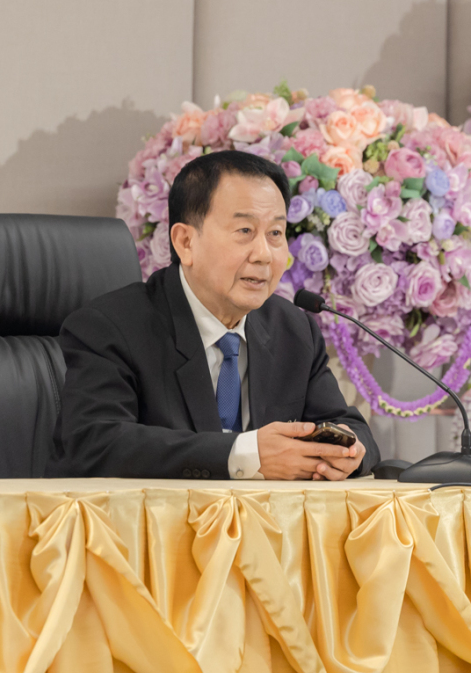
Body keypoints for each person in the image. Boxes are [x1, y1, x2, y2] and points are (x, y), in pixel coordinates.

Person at [49, 150, 380, 480]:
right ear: (185, 242)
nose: (264, 255)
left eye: (276, 233)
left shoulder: (294, 330)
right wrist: (245, 455)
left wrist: (345, 454)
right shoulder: (112, 327)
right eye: (244, 231)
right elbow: (94, 444)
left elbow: (352, 429)